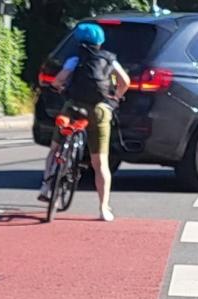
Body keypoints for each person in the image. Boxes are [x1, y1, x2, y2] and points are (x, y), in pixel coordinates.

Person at [42, 23, 130, 222]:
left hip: (73, 108)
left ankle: (47, 186)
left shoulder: (75, 59)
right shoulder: (109, 59)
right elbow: (125, 81)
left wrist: (59, 88)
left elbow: (58, 81)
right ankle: (103, 208)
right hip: (99, 110)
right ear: (100, 41)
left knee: (55, 148)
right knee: (100, 163)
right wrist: (115, 97)